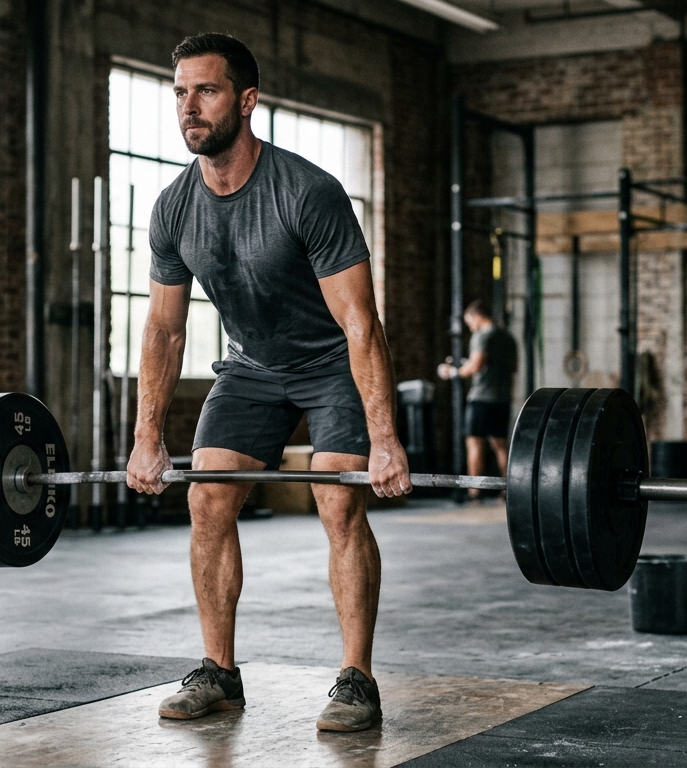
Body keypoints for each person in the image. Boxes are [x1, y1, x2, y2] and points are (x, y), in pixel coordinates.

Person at [125, 33, 410, 733]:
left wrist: (385, 440)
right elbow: (164, 330)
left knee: (338, 502)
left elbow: (361, 325)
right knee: (208, 499)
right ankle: (219, 671)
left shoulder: (307, 192)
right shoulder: (174, 207)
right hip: (251, 368)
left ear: (247, 101)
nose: (189, 108)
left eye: (207, 91)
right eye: (180, 93)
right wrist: (145, 438)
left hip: (330, 366)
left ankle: (357, 680)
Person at [437, 300, 518, 496]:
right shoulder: (508, 337)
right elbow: (513, 367)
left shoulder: (481, 336)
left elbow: (476, 366)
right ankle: (507, 491)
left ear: (478, 317)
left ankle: (474, 492)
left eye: (470, 322)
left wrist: (452, 372)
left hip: (481, 398)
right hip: (502, 398)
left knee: (474, 443)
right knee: (500, 445)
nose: (470, 327)